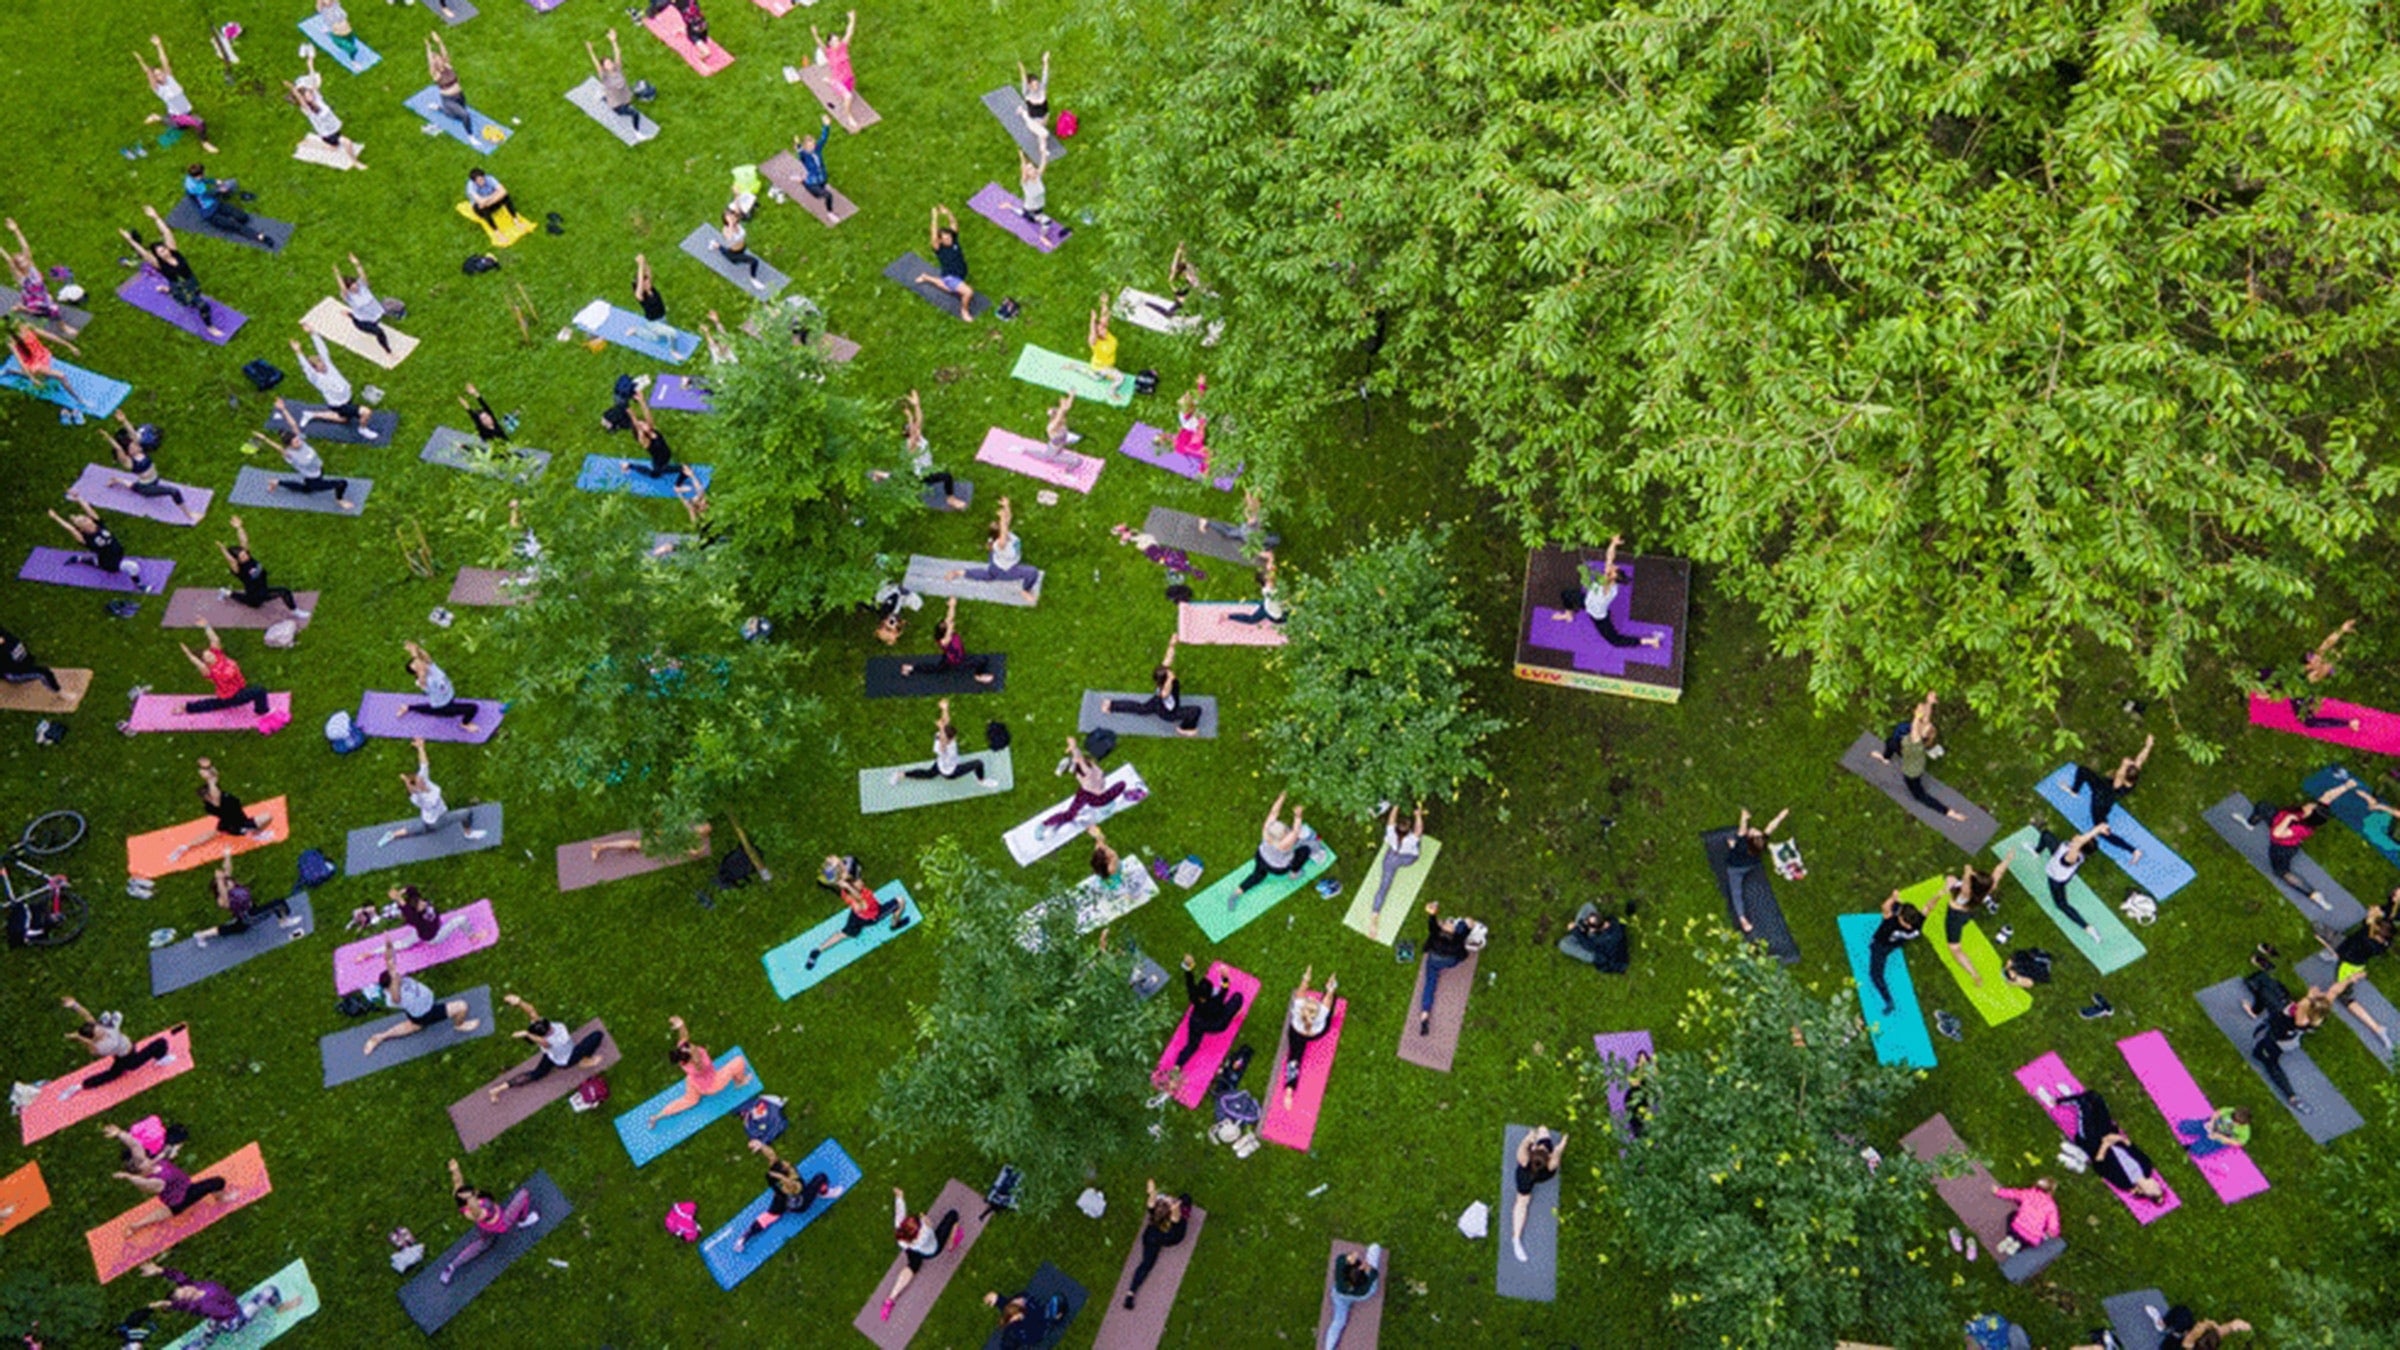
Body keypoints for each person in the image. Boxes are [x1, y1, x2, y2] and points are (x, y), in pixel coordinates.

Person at [2033, 1083, 2167, 1200]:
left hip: (2094, 1144)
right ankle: (2075, 1098)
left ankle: (2055, 1101)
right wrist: (2118, 1138)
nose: (2156, 1184)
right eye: (2158, 1186)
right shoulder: (2147, 1167)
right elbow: (2131, 1146)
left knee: (2084, 1106)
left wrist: (2105, 1144)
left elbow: (2099, 1165)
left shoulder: (2124, 1182)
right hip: (2110, 1134)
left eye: (2154, 1190)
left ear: (2142, 1192)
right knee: (2095, 1098)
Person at [2237, 779, 2354, 909]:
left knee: (2281, 871)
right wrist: (2346, 786)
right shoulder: (2313, 811)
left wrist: (2288, 818)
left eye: (2311, 808)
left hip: (2282, 848)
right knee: (2263, 806)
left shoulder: (2302, 828)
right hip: (2278, 820)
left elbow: (2276, 834)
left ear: (2311, 816)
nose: (2310, 804)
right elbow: (2328, 796)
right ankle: (2250, 824)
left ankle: (2314, 895)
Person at [360, 941, 481, 1055]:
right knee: (461, 1006)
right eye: (396, 978)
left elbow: (390, 961)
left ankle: (380, 1036)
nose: (399, 976)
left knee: (414, 1026)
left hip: (418, 1012)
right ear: (391, 986)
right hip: (427, 1013)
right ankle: (459, 1025)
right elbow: (396, 995)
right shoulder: (393, 998)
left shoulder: (394, 981)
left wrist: (388, 945)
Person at [120, 206, 223, 338]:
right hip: (180, 289)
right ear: (157, 256)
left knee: (196, 293)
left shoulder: (174, 251)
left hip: (191, 282)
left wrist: (155, 217)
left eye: (164, 249)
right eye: (160, 252)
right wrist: (130, 240)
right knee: (202, 305)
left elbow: (166, 232)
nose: (164, 252)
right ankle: (210, 327)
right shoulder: (159, 264)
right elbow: (143, 253)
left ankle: (167, 289)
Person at [483, 994, 607, 1104]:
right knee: (597, 1035)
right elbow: (543, 1042)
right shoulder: (555, 1037)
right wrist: (526, 1034)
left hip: (550, 1056)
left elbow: (531, 1011)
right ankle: (584, 1061)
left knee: (536, 1074)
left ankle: (496, 1090)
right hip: (567, 1059)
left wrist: (519, 1002)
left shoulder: (539, 1029)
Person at [1548, 534, 1662, 650]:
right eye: (1612, 568)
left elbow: (1609, 565)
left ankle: (1650, 641)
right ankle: (1568, 615)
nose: (1610, 568)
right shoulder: (1607, 579)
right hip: (1587, 602)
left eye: (1612, 570)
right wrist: (1613, 544)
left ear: (1612, 578)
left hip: (1598, 616)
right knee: (1566, 594)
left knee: (1615, 641)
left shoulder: (1607, 587)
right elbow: (1609, 557)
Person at [438, 1158, 540, 1286]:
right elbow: (478, 1206)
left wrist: (455, 1170)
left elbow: (458, 1183)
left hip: (484, 1228)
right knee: (524, 1194)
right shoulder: (477, 1212)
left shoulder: (462, 1203)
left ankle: (452, 1266)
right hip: (501, 1223)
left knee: (484, 1243)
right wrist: (474, 1197)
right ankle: (523, 1220)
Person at [2241, 970, 2328, 1116]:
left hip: (2278, 1042)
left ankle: (2292, 1097)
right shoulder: (2314, 1017)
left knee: (2268, 1062)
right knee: (2260, 1046)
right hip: (2284, 1036)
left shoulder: (2301, 1019)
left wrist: (2310, 996)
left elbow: (2303, 1004)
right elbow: (2327, 997)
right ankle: (2259, 1034)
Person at [142, 1261, 297, 1343]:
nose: (187, 1289)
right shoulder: (204, 1305)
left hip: (219, 1319)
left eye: (183, 1288)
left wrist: (159, 1270)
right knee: (270, 1290)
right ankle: (280, 1307)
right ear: (187, 1300)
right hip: (234, 1320)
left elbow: (178, 1276)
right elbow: (230, 1312)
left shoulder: (192, 1286)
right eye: (185, 1294)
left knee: (210, 1334)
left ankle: (207, 1337)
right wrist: (169, 1305)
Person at [377, 738, 490, 849]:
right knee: (466, 813)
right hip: (439, 819)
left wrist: (421, 748)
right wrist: (407, 783)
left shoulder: (423, 780)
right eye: (418, 782)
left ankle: (392, 834)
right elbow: (412, 792)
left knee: (421, 829)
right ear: (416, 788)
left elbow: (424, 764)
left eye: (419, 778)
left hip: (427, 819)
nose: (421, 779)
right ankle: (468, 834)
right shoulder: (419, 798)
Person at [1869, 691, 1966, 821]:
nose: (1925, 723)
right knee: (1890, 742)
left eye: (1925, 727)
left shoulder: (1915, 742)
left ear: (1922, 735)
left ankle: (1949, 813)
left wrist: (1917, 714)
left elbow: (1916, 723)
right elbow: (1925, 718)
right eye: (1925, 724)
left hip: (1912, 771)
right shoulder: (1919, 735)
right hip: (1908, 754)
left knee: (1919, 796)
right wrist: (1929, 703)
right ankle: (1885, 758)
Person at [802, 855, 910, 970]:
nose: (860, 882)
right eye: (858, 882)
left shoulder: (843, 891)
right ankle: (895, 924)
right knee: (901, 901)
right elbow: (859, 898)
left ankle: (817, 950)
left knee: (843, 934)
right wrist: (849, 885)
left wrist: (833, 867)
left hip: (855, 916)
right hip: (872, 916)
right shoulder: (859, 901)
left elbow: (842, 866)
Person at [733, 1139, 842, 1252]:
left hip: (783, 1200)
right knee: (821, 1177)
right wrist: (782, 1178)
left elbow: (771, 1155)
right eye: (785, 1164)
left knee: (769, 1216)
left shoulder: (779, 1174)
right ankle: (824, 1193)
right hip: (800, 1203)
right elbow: (793, 1186)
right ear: (785, 1171)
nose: (785, 1161)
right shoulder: (794, 1184)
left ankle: (742, 1239)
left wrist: (761, 1146)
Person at [164, 757, 276, 865]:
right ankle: (256, 834)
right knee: (267, 817)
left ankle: (185, 847)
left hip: (226, 824)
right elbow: (215, 791)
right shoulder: (216, 803)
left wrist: (208, 767)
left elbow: (215, 778)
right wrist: (209, 778)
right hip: (238, 825)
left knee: (213, 834)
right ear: (209, 796)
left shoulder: (212, 802)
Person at [646, 1015, 753, 1126]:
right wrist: (693, 1051)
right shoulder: (698, 1066)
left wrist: (681, 1025)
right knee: (739, 1061)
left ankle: (657, 1116)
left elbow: (684, 1037)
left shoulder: (683, 1055)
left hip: (694, 1082)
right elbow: (698, 1061)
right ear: (690, 1056)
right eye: (690, 1048)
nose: (691, 1045)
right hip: (712, 1085)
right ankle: (739, 1082)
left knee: (689, 1101)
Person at [58, 995, 175, 1096]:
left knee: (112, 1074)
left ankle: (82, 1085)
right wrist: (79, 1037)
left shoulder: (98, 1030)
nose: (102, 1030)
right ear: (93, 1038)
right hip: (129, 1058)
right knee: (161, 1043)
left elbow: (86, 1015)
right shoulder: (103, 1046)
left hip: (122, 1055)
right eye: (99, 1033)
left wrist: (75, 1005)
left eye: (99, 1028)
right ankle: (161, 1058)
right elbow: (92, 1047)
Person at [2257, 620, 2361, 730]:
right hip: (2291, 678)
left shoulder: (2320, 672)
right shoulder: (2317, 656)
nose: (2317, 659)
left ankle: (2348, 723)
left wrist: (2272, 695)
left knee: (2308, 722)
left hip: (2301, 687)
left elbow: (2300, 685)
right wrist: (2342, 630)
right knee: (2266, 673)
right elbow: (2328, 642)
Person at [878, 1187, 964, 1320]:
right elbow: (929, 1223)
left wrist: (899, 1196)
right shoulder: (925, 1233)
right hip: (931, 1251)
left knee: (912, 1266)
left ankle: (890, 1298)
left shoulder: (899, 1229)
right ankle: (953, 1240)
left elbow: (899, 1212)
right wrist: (923, 1218)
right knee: (953, 1215)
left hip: (910, 1249)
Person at [2063, 735, 2154, 860]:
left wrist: (2123, 764)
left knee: (2102, 830)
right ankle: (2074, 790)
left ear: (2124, 775)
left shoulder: (2118, 784)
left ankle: (2133, 851)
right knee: (2083, 770)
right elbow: (2140, 759)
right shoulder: (2133, 774)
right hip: (2102, 787)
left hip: (2101, 801)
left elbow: (2119, 775)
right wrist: (2148, 745)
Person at [253, 405, 356, 510]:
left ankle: (276, 482)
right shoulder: (290, 454)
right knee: (341, 484)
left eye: (297, 439)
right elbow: (277, 447)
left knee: (306, 490)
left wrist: (283, 409)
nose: (299, 442)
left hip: (318, 470)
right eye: (296, 442)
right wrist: (264, 438)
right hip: (312, 478)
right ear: (290, 446)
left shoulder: (301, 441)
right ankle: (340, 500)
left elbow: (293, 425)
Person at [1160, 953, 1245, 1077]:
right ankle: (1235, 1014)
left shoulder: (1194, 996)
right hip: (1217, 1023)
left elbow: (1189, 981)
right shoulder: (1216, 1001)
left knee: (1191, 1045)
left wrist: (1189, 966)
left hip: (1197, 1023)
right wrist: (1225, 977)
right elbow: (1225, 988)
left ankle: (1178, 1065)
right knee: (1238, 997)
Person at [100, 414, 197, 521]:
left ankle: (117, 480)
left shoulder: (141, 451)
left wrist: (124, 421)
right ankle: (189, 515)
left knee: (133, 486)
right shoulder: (129, 462)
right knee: (174, 491)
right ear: (128, 452)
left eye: (135, 445)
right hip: (147, 487)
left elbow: (133, 434)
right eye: (133, 447)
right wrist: (109, 438)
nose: (137, 446)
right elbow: (119, 449)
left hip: (152, 481)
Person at [190, 855, 300, 949]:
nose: (231, 881)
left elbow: (228, 869)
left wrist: (227, 855)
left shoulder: (230, 885)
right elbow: (223, 890)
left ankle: (201, 935)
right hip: (249, 916)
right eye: (227, 882)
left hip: (246, 913)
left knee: (235, 928)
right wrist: (219, 880)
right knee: (278, 904)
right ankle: (284, 922)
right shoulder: (224, 899)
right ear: (222, 887)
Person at [1104, 636, 1203, 735]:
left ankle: (1111, 705)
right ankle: (1184, 729)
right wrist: (1170, 679)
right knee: (1196, 711)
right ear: (1166, 680)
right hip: (1168, 713)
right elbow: (1165, 694)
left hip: (1157, 702)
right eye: (1169, 673)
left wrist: (1172, 644)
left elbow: (1168, 658)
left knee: (1141, 708)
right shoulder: (1166, 689)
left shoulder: (1163, 676)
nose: (1171, 672)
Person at [287, 326, 373, 438]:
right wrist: (298, 352)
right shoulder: (315, 378)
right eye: (320, 366)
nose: (324, 366)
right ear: (315, 369)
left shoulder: (328, 366)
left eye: (322, 363)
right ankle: (363, 429)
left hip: (347, 397)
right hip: (339, 404)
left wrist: (313, 333)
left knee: (343, 419)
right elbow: (305, 367)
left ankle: (312, 414)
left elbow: (322, 349)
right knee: (366, 412)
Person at [892, 697, 997, 788]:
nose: (955, 738)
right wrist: (942, 726)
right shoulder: (943, 748)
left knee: (928, 774)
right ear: (950, 739)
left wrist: (945, 709)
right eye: (953, 737)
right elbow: (943, 744)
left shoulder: (939, 735)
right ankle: (982, 781)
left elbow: (946, 723)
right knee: (978, 763)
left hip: (939, 765)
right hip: (950, 772)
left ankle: (901, 774)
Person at [176, 620, 271, 719]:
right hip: (232, 696)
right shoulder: (209, 671)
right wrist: (189, 654)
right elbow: (198, 664)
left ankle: (188, 707)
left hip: (238, 688)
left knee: (215, 704)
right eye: (208, 657)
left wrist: (206, 626)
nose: (211, 656)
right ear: (205, 662)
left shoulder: (218, 655)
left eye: (210, 654)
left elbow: (215, 639)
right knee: (259, 691)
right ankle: (262, 712)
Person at [215, 516, 307, 617]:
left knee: (249, 601)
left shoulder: (248, 557)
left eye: (245, 553)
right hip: (256, 595)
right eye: (242, 556)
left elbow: (244, 541)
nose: (246, 555)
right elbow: (231, 561)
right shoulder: (238, 569)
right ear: (237, 559)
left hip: (262, 588)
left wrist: (239, 527)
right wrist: (222, 549)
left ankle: (226, 591)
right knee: (283, 592)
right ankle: (296, 612)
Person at [137, 37, 216, 152]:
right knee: (199, 122)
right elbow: (149, 74)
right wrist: (141, 61)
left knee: (182, 127)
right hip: (177, 115)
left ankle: (157, 117)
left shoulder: (170, 78)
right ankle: (205, 143)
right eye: (157, 75)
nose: (161, 75)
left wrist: (159, 45)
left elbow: (165, 61)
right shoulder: (159, 89)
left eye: (161, 72)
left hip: (186, 111)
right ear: (155, 79)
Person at [1121, 1180, 1191, 1310]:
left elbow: (1152, 1201)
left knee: (1146, 1264)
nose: (1169, 1198)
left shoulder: (1154, 1211)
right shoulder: (1175, 1218)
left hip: (1152, 1237)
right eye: (1169, 1201)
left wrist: (1153, 1192)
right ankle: (1130, 1294)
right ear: (1171, 1210)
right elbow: (1176, 1209)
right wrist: (1176, 1203)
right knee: (1186, 1197)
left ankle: (1131, 1293)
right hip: (1173, 1238)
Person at [2034, 822, 2112, 940]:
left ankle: (2088, 928)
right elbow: (2082, 840)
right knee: (2046, 835)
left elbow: (2079, 842)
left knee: (2061, 905)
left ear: (2079, 846)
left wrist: (2097, 830)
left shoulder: (2071, 857)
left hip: (2056, 879)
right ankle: (2036, 851)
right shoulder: (2072, 847)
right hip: (2057, 857)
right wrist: (2098, 830)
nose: (2079, 836)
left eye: (2080, 839)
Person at [947, 496, 1040, 593]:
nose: (1005, 526)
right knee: (1032, 572)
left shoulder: (1005, 535)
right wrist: (1002, 519)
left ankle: (965, 572)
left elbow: (1008, 520)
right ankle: (1026, 590)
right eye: (1003, 527)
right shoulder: (1001, 544)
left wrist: (1006, 506)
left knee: (991, 571)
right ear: (1000, 533)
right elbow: (1004, 527)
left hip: (1000, 559)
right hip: (1004, 570)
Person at [1361, 803, 1427, 939]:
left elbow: (1391, 820)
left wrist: (1396, 806)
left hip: (1391, 858)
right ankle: (1374, 917)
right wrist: (1418, 815)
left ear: (1396, 828)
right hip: (1407, 859)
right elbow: (1419, 830)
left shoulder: (1391, 832)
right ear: (1408, 830)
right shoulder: (1411, 839)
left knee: (1383, 886)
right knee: (1417, 841)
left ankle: (1375, 915)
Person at [1715, 806, 1787, 933]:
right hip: (1750, 865)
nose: (1753, 829)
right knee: (1735, 846)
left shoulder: (1742, 842)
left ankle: (1742, 919)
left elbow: (1743, 829)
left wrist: (1744, 817)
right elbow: (1771, 827)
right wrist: (1781, 816)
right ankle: (1743, 919)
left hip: (1735, 868)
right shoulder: (1760, 842)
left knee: (1736, 892)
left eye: (1753, 831)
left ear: (1749, 837)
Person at [286, 54, 364, 169]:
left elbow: (313, 83)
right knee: (347, 143)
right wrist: (293, 89)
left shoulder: (317, 98)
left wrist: (310, 65)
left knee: (334, 147)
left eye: (310, 93)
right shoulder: (308, 110)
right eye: (308, 95)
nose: (311, 94)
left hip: (335, 127)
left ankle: (319, 145)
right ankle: (355, 162)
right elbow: (301, 100)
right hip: (328, 133)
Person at [1937, 859, 2008, 985]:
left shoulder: (1965, 893)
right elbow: (1998, 872)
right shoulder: (1988, 887)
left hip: (1956, 917)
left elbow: (1965, 876)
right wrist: (2008, 859)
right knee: (1952, 879)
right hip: (1970, 911)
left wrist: (1968, 870)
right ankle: (1989, 902)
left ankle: (1974, 974)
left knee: (1955, 948)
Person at [1276, 965, 1338, 1110]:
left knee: (1294, 1057)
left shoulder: (1298, 1008)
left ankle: (1289, 1090)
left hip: (1296, 1033)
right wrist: (1331, 987)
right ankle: (1333, 1014)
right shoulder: (1321, 1012)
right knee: (1328, 1010)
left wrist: (1306, 977)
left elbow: (1302, 989)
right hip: (1315, 1034)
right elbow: (1329, 995)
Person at [46, 493, 144, 583]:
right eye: (82, 522)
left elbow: (89, 510)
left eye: (85, 518)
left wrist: (78, 498)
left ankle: (80, 559)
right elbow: (71, 529)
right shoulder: (85, 538)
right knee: (133, 567)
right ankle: (139, 584)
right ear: (81, 528)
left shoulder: (99, 524)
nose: (87, 520)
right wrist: (55, 517)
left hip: (117, 552)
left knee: (95, 561)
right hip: (110, 562)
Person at [898, 597, 997, 684]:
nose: (951, 625)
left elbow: (950, 618)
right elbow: (950, 626)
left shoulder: (946, 634)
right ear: (945, 633)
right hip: (958, 661)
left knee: (937, 668)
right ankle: (978, 676)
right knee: (983, 660)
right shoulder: (944, 641)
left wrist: (952, 605)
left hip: (948, 658)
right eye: (949, 627)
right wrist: (950, 623)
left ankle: (911, 668)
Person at [1416, 902, 1478, 1036]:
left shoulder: (1435, 932)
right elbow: (1470, 923)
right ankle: (1425, 1014)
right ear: (1453, 932)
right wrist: (1467, 922)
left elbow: (1433, 920)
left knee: (1430, 983)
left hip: (1434, 959)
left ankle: (1425, 1013)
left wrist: (1433, 912)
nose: (1448, 923)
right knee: (1465, 925)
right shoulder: (1458, 938)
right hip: (1449, 960)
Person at [1864, 886, 1928, 1014]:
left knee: (1875, 975)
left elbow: (1885, 908)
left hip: (1881, 946)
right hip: (1896, 943)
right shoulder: (1918, 922)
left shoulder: (1891, 922)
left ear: (1904, 921)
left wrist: (1893, 898)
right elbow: (1928, 908)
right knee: (1896, 906)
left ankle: (1888, 1000)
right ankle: (1888, 1000)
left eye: (1900, 915)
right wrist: (1940, 893)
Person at [1237, 791, 1314, 895]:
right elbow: (1296, 830)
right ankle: (1294, 873)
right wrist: (1298, 815)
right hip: (1277, 868)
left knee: (1258, 874)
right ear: (1282, 837)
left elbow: (1274, 813)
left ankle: (1239, 890)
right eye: (1285, 830)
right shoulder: (1284, 845)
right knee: (1305, 850)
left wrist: (1281, 797)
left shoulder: (1266, 830)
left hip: (1261, 857)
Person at [1509, 1127, 1566, 1263]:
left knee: (1522, 1202)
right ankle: (1516, 1238)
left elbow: (1523, 1146)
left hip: (1527, 1176)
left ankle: (1516, 1238)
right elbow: (1559, 1149)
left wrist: (1529, 1137)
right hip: (1534, 1176)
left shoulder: (1524, 1159)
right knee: (1543, 1129)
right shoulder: (1551, 1165)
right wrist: (1564, 1140)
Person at [2, 218, 69, 332]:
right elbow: (8, 260)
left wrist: (16, 230)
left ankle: (21, 308)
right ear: (17, 266)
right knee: (53, 309)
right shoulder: (20, 277)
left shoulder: (32, 268)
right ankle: (63, 327)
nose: (24, 263)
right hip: (33, 302)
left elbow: (26, 248)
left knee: (49, 302)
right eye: (20, 263)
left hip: (43, 295)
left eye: (24, 259)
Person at [9, 320, 89, 413]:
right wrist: (32, 379)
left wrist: (69, 346)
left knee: (46, 378)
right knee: (61, 376)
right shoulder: (11, 340)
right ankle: (80, 400)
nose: (18, 323)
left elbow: (50, 336)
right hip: (33, 364)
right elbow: (21, 361)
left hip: (43, 355)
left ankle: (12, 371)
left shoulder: (28, 326)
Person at [178, 166, 271, 246]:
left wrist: (214, 181)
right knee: (235, 226)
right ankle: (259, 237)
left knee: (243, 217)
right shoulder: (194, 187)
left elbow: (203, 180)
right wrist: (220, 190)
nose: (204, 175)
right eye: (202, 174)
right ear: (197, 176)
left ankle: (232, 217)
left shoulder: (192, 177)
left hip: (215, 204)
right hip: (209, 213)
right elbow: (209, 192)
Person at [913, 205, 976, 320]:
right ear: (940, 240)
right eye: (946, 239)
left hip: (960, 274)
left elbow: (954, 225)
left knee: (947, 288)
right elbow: (933, 234)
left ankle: (926, 277)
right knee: (968, 292)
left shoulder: (954, 241)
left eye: (949, 237)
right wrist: (935, 217)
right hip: (950, 277)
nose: (949, 240)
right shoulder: (939, 248)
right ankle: (964, 311)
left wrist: (948, 212)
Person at [381, 884, 484, 954]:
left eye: (421, 901)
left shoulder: (417, 903)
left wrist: (401, 892)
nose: (423, 903)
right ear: (416, 911)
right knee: (461, 919)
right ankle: (473, 936)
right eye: (420, 905)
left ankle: (370, 953)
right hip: (434, 937)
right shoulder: (415, 918)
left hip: (423, 933)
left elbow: (412, 889)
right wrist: (399, 899)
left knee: (404, 944)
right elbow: (407, 911)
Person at [404, 639, 481, 729]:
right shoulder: (422, 681)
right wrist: (414, 654)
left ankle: (409, 707)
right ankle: (465, 724)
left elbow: (425, 657)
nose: (422, 664)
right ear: (417, 673)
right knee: (473, 708)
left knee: (430, 709)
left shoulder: (431, 668)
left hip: (447, 698)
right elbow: (420, 666)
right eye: (418, 666)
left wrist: (416, 648)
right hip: (443, 706)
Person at [586, 30, 648, 134]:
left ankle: (602, 96)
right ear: (604, 67)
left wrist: (614, 41)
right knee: (635, 114)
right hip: (618, 106)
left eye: (610, 61)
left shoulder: (617, 68)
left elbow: (618, 53)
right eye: (607, 64)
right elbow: (596, 64)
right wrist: (591, 51)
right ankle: (637, 133)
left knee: (611, 96)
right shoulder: (604, 76)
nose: (610, 64)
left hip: (625, 98)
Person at [1323, 1244, 1383, 1349]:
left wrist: (1348, 1258)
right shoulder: (1363, 1289)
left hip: (1340, 1296)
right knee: (1375, 1247)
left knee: (1338, 1321)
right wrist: (1369, 1269)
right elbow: (1374, 1275)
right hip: (1359, 1296)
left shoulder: (1341, 1279)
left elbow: (1340, 1260)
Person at [812, 11, 862, 129]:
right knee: (848, 97)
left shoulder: (843, 47)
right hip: (838, 81)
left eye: (838, 40)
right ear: (829, 43)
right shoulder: (828, 52)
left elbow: (849, 32)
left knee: (849, 92)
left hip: (849, 78)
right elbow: (819, 44)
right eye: (834, 41)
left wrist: (852, 19)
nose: (837, 42)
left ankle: (829, 80)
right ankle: (849, 116)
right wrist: (815, 35)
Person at [335, 254, 394, 355]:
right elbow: (343, 288)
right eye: (352, 288)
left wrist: (357, 264)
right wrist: (337, 275)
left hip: (376, 315)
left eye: (355, 285)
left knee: (375, 316)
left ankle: (350, 314)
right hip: (363, 322)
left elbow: (363, 276)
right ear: (349, 289)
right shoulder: (348, 296)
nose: (355, 288)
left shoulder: (363, 286)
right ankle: (388, 352)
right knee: (379, 332)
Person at [1561, 902, 1632, 973]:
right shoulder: (1613, 924)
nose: (1585, 921)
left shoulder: (1597, 941)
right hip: (1608, 946)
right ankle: (1581, 928)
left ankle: (1578, 931)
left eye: (1587, 923)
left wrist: (1575, 931)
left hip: (1601, 955)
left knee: (1564, 944)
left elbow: (1587, 945)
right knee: (1588, 906)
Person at [1225, 549, 1288, 627]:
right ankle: (1228, 616)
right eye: (1270, 575)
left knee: (1253, 618)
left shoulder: (1269, 585)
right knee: (1251, 619)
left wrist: (1270, 558)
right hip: (1274, 614)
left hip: (1266, 606)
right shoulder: (1272, 591)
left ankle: (1228, 616)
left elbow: (1271, 568)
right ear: (1267, 581)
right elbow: (1286, 600)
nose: (1272, 573)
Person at [1990, 1176, 2059, 1247]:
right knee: (2031, 1239)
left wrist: (1998, 1191)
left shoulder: (2028, 1193)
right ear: (2051, 1192)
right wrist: (2053, 1233)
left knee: (2012, 1215)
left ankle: (2010, 1238)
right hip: (2032, 1238)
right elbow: (2053, 1225)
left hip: (2017, 1229)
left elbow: (2014, 1194)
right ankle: (2018, 1245)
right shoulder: (2052, 1206)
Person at [426, 32, 473, 135]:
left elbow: (445, 53)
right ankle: (471, 137)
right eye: (435, 59)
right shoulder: (436, 74)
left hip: (460, 95)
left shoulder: (448, 65)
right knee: (465, 115)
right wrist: (428, 48)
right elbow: (430, 63)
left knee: (456, 115)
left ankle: (439, 108)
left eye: (438, 57)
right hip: (449, 99)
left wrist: (439, 41)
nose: (438, 59)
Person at [984, 1287, 1058, 1348]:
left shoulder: (1031, 1314)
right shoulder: (1022, 1306)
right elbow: (1010, 1307)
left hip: (1033, 1331)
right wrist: (998, 1299)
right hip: (1024, 1328)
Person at [2149, 1307, 2253, 1350]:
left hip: (2171, 1346)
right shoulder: (2209, 1340)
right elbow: (2225, 1329)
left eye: (2199, 1325)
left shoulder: (2187, 1343)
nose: (2199, 1322)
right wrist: (2232, 1326)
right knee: (2184, 1312)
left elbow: (2190, 1338)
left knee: (2182, 1315)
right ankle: (2164, 1323)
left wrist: (2205, 1324)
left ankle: (2162, 1325)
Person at [791, 117, 837, 213]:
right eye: (810, 146)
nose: (812, 147)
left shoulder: (817, 149)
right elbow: (800, 151)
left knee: (823, 187)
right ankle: (830, 212)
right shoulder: (804, 155)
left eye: (813, 144)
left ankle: (800, 179)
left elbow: (823, 138)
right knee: (826, 196)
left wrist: (826, 125)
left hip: (822, 177)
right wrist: (798, 144)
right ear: (805, 147)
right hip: (812, 183)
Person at [0, 623, 61, 694]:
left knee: (42, 672)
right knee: (44, 673)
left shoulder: (6, 635)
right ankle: (61, 694)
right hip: (12, 672)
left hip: (24, 662)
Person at [2176, 1105, 2252, 1159]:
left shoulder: (2245, 1131)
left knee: (2199, 1150)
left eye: (2235, 1121)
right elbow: (2217, 1113)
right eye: (2232, 1117)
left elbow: (2238, 1142)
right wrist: (2211, 1122)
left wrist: (2221, 1137)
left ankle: (2191, 1147)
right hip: (2213, 1125)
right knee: (2184, 1127)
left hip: (2221, 1137)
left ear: (2243, 1124)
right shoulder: (2230, 1111)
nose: (2232, 1120)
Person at [712, 207, 763, 281]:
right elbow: (729, 237)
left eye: (733, 216)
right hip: (734, 253)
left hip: (742, 248)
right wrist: (731, 224)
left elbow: (737, 208)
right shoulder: (726, 229)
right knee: (754, 261)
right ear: (726, 220)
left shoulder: (738, 224)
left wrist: (737, 196)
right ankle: (753, 278)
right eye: (729, 218)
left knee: (725, 251)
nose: (732, 218)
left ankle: (716, 245)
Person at [1015, 51, 1053, 144]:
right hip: (1034, 118)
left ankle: (1022, 111)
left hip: (1044, 114)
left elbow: (1045, 74)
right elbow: (1023, 79)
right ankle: (1023, 113)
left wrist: (1045, 61)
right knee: (1043, 135)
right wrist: (1022, 69)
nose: (1036, 86)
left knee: (1043, 127)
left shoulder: (1041, 87)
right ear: (1029, 85)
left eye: (1037, 83)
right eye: (1033, 84)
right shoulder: (1027, 92)